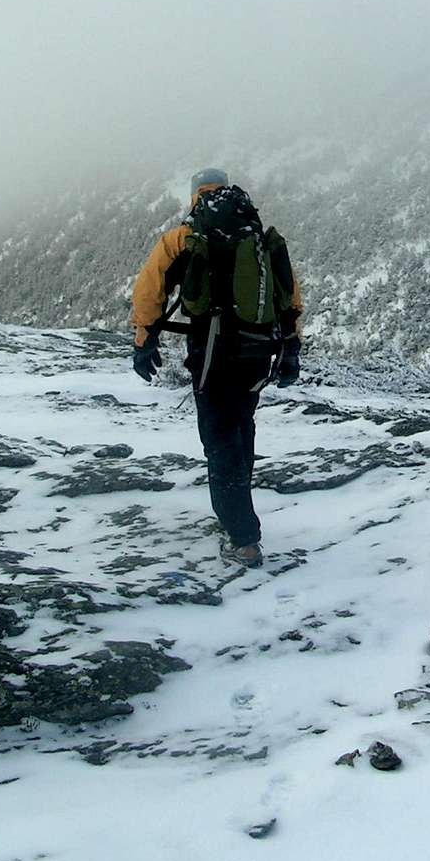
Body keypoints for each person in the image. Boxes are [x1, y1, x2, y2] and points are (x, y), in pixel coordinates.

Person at [130, 168, 301, 568]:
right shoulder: (258, 236)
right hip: (259, 352)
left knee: (219, 439)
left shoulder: (183, 237)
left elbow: (150, 290)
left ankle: (242, 538)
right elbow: (290, 297)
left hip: (211, 351)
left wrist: (144, 341)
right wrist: (291, 350)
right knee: (242, 428)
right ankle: (237, 515)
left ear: (195, 195)